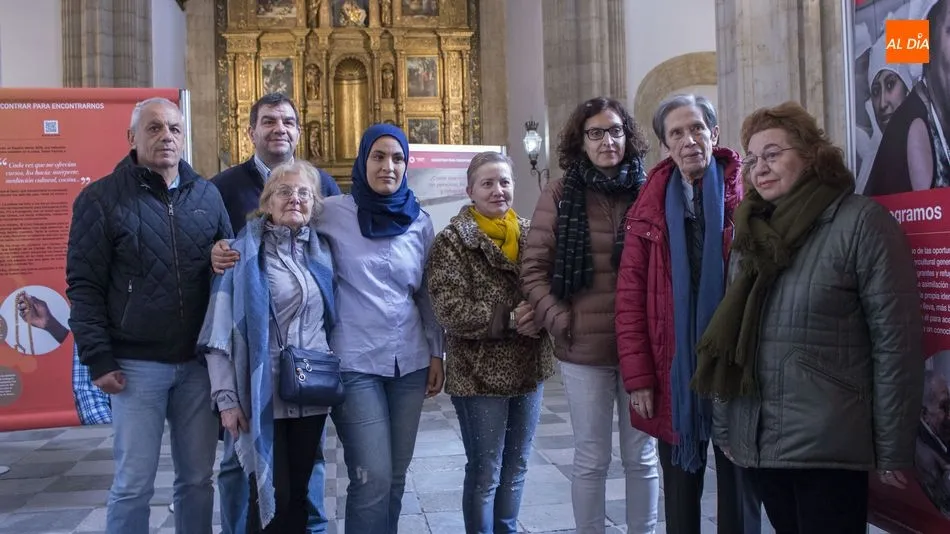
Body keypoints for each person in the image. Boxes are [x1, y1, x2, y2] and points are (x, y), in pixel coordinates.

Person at [691, 101, 924, 533]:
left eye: (774, 153)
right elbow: (730, 335)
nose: (760, 166)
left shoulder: (859, 223)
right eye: (754, 157)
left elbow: (897, 344)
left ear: (813, 155)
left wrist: (893, 445)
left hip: (828, 441)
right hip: (760, 438)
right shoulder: (752, 229)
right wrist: (726, 427)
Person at [66, 97, 232, 534]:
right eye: (155, 128)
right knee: (133, 484)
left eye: (175, 129)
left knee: (197, 479)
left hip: (197, 366)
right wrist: (98, 357)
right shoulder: (100, 199)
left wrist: (221, 255)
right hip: (136, 367)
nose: (167, 137)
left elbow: (229, 270)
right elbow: (83, 286)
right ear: (132, 138)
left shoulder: (206, 194)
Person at [615, 94, 761, 534]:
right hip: (672, 366)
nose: (688, 140)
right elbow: (630, 301)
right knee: (680, 492)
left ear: (714, 134)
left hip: (735, 366)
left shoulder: (746, 195)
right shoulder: (648, 207)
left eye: (697, 128)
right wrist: (638, 378)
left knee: (740, 490)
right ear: (665, 145)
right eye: (676, 133)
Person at [521, 96, 659, 534]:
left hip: (645, 348)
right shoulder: (560, 193)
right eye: (595, 133)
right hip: (585, 347)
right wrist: (561, 320)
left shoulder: (650, 188)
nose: (607, 141)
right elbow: (534, 268)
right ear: (580, 142)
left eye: (615, 131)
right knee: (591, 457)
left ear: (628, 136)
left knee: (642, 456)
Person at [210, 92, 340, 534]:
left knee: (298, 494)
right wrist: (226, 401)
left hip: (309, 388)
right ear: (265, 201)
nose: (295, 200)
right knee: (265, 493)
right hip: (258, 388)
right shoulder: (240, 252)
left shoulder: (321, 253)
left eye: (303, 193)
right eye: (284, 192)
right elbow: (220, 330)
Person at [316, 123, 444, 534]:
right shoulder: (332, 213)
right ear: (363, 160)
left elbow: (426, 293)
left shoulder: (420, 220)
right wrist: (227, 248)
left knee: (396, 476)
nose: (388, 166)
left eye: (397, 158)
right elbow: (283, 228)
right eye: (378, 156)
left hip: (409, 361)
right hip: (353, 361)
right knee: (371, 476)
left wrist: (437, 352)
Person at [425, 152, 556, 534]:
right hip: (480, 376)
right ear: (470, 191)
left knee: (517, 467)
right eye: (487, 183)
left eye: (504, 182)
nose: (498, 190)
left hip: (530, 368)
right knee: (486, 471)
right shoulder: (452, 242)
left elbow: (554, 289)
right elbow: (449, 309)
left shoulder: (534, 233)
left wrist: (542, 316)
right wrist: (514, 319)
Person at [865, 0, 950, 195]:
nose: (883, 103)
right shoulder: (914, 125)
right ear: (929, 46)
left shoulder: (936, 110)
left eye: (890, 85)